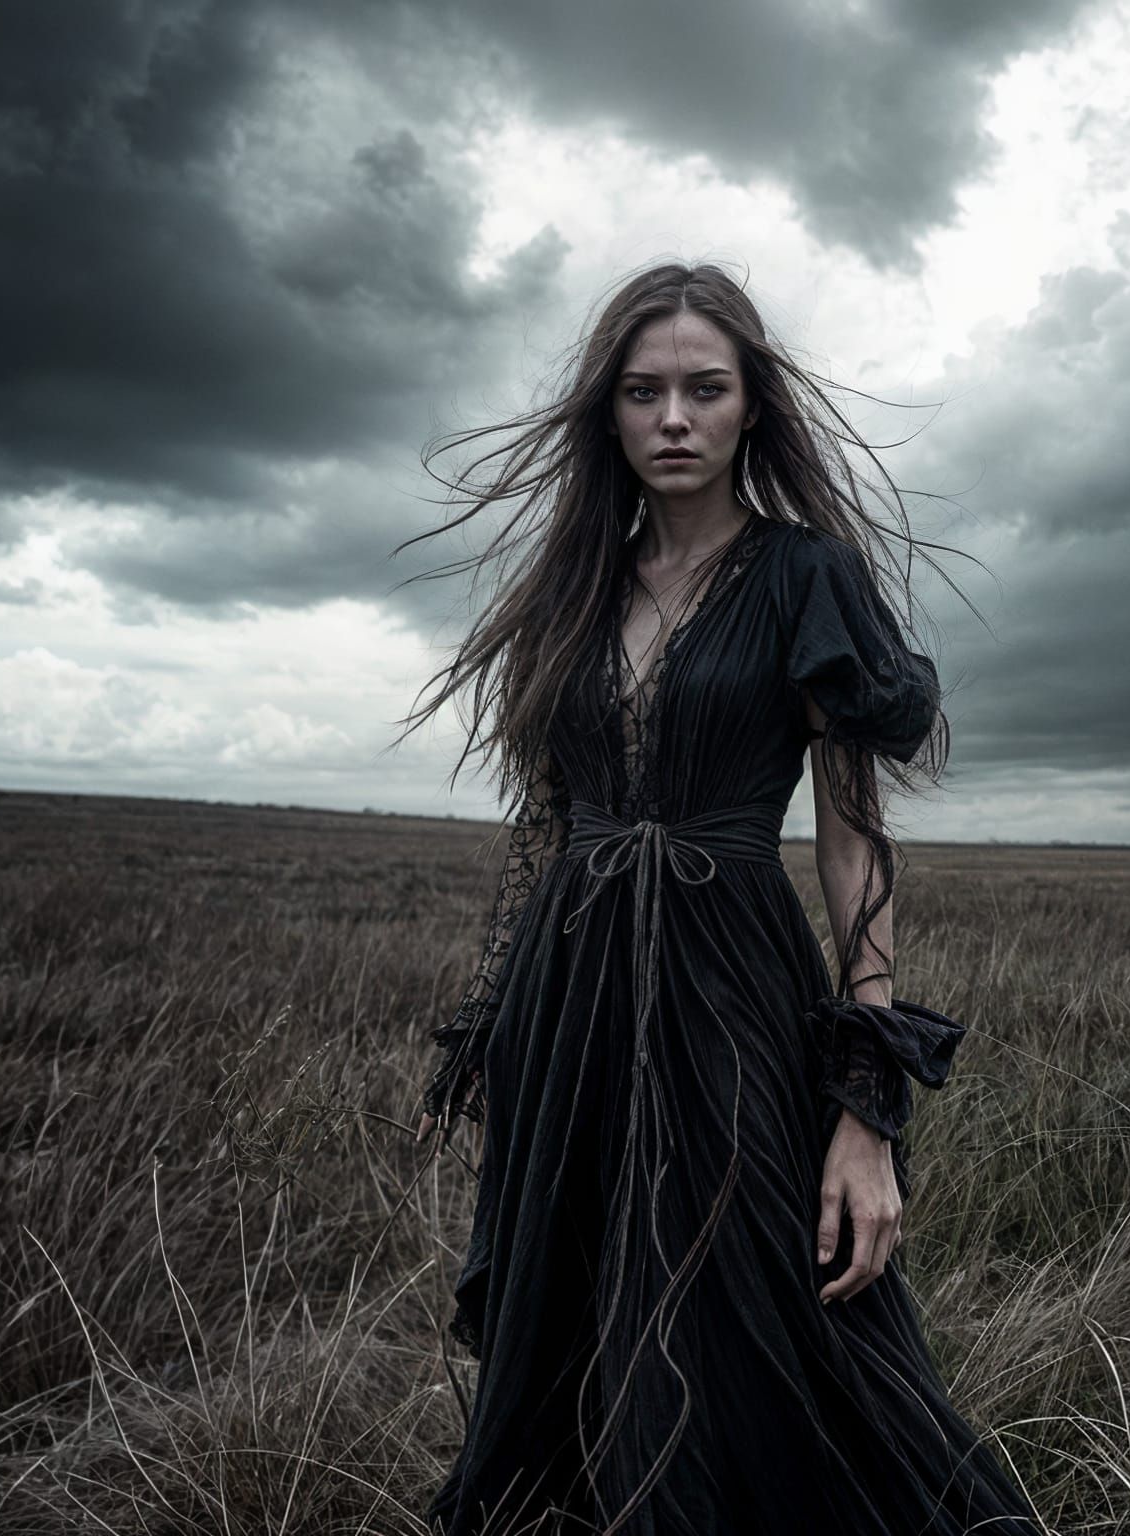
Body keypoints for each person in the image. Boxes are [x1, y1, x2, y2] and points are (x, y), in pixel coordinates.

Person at [397, 261, 1044, 1535]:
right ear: (610, 414)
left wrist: (864, 1111)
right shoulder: (571, 590)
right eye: (645, 392)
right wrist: (504, 1023)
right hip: (567, 1005)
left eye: (706, 388)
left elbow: (853, 846)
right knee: (574, 1315)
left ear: (753, 407)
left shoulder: (806, 578)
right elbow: (549, 827)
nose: (675, 418)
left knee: (774, 1305)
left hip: (731, 994)